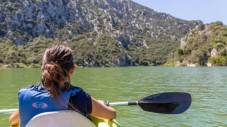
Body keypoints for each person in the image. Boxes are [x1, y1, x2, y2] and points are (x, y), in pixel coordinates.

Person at [9, 44, 116, 127]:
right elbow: (112, 114)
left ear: (42, 69)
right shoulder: (79, 98)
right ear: (72, 70)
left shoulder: (26, 96)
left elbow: (12, 120)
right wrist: (99, 104)